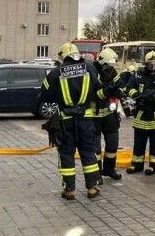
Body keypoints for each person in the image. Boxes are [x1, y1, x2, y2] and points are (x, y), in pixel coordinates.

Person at [39, 43, 101, 200]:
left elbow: (44, 95)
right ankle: (92, 188)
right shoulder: (90, 68)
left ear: (62, 56)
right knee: (88, 152)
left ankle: (70, 190)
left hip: (66, 121)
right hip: (86, 120)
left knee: (66, 154)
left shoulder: (55, 72)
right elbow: (99, 89)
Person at [125, 51, 155, 175]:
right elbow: (128, 88)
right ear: (145, 64)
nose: (153, 67)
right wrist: (137, 95)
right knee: (139, 142)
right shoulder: (138, 75)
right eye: (150, 65)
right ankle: (137, 165)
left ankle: (154, 166)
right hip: (141, 112)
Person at [93, 47, 123, 183]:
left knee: (113, 143)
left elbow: (118, 85)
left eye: (112, 65)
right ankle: (96, 173)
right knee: (95, 148)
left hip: (109, 113)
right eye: (109, 65)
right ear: (102, 62)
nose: (111, 68)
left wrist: (120, 91)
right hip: (94, 115)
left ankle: (109, 170)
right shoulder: (93, 72)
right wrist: (111, 89)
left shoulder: (112, 71)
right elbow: (98, 94)